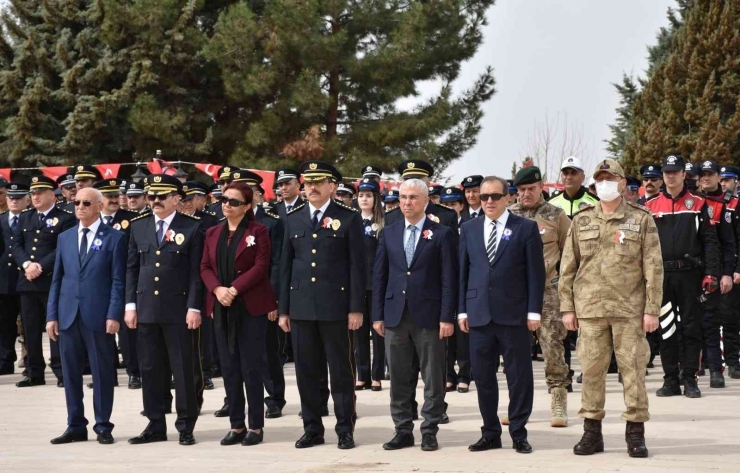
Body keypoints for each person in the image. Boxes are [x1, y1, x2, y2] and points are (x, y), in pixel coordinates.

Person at [560, 159, 663, 458]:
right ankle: (592, 433)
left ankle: (635, 433)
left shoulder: (641, 219)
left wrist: (652, 309)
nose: (604, 184)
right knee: (591, 372)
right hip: (590, 311)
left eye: (610, 178)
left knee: (633, 373)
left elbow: (653, 267)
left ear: (622, 183)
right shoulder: (582, 220)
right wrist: (568, 308)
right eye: (600, 179)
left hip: (630, 310)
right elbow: (568, 267)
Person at [278, 160, 366, 450]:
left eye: (319, 182)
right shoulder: (293, 218)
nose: (312, 187)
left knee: (340, 371)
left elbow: (356, 267)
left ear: (332, 186)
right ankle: (312, 428)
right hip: (302, 307)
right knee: (306, 371)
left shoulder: (349, 218)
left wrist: (356, 308)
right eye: (309, 182)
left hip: (336, 307)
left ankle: (345, 428)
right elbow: (285, 267)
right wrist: (284, 310)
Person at [458, 175, 544, 454]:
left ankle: (518, 432)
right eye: (484, 197)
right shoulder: (469, 229)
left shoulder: (525, 228)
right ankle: (490, 432)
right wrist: (462, 310)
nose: (489, 202)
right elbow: (463, 272)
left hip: (514, 315)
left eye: (495, 196)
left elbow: (536, 274)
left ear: (509, 197)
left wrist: (534, 311)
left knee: (519, 377)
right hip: (479, 314)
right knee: (482, 377)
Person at [372, 178, 455, 452]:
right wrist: (378, 315)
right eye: (403, 197)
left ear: (426, 201)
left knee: (433, 377)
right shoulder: (390, 232)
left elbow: (448, 279)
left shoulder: (441, 233)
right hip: (395, 315)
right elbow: (380, 275)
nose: (407, 202)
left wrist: (446, 317)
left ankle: (429, 430)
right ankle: (402, 429)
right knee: (398, 377)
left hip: (429, 316)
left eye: (413, 198)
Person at [124, 174, 205, 446]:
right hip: (146, 309)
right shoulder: (139, 226)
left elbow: (196, 273)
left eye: (161, 196)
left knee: (182, 369)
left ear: (176, 199)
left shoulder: (193, 227)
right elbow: (132, 268)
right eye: (151, 196)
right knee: (150, 368)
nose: (155, 201)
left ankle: (185, 425)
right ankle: (156, 424)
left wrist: (194, 306)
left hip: (179, 309)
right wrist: (130, 305)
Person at [46, 187, 127, 445]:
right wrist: (52, 315)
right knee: (70, 374)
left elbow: (118, 280)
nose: (79, 207)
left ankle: (103, 425)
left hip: (99, 315)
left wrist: (114, 313)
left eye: (86, 203)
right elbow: (57, 278)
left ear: (99, 206)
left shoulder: (115, 238)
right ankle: (75, 425)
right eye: (76, 202)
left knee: (102, 373)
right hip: (68, 314)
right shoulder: (66, 237)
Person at [201, 181, 275, 446]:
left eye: (233, 201)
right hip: (221, 307)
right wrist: (217, 290)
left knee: (251, 367)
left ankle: (255, 426)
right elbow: (205, 267)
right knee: (229, 368)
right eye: (224, 199)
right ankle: (236, 424)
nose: (226, 205)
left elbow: (261, 266)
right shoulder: (212, 232)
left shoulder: (259, 230)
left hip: (250, 306)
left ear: (246, 206)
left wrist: (233, 289)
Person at [643, 155, 720, 399]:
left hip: (690, 275)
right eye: (666, 172)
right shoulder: (651, 205)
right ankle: (670, 381)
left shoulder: (698, 203)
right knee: (666, 329)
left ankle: (690, 379)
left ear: (684, 174)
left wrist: (711, 273)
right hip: (662, 276)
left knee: (691, 328)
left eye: (675, 171)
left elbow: (710, 241)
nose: (670, 176)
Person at [509, 166, 572, 427]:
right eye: (521, 190)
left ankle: (558, 399)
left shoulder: (556, 216)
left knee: (552, 346)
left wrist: (567, 293)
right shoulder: (508, 216)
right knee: (515, 351)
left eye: (531, 189)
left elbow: (570, 256)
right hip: (514, 294)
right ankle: (517, 406)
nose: (525, 194)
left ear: (541, 187)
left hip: (548, 292)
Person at [12, 176, 77, 388]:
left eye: (40, 192)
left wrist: (40, 267)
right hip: (27, 281)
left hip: (51, 281)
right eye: (33, 193)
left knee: (55, 328)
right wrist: (26, 265)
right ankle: (34, 372)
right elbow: (16, 245)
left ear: (52, 194)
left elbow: (62, 247)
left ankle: (61, 371)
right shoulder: (25, 217)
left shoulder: (65, 218)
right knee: (29, 329)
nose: (36, 196)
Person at [697, 160, 736, 389]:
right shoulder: (694, 201)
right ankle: (693, 368)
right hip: (694, 270)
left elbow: (729, 243)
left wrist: (728, 273)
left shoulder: (724, 204)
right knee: (693, 323)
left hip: (717, 270)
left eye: (710, 174)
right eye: (702, 174)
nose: (705, 178)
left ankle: (716, 370)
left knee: (713, 322)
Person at [354, 178, 385, 392]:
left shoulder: (385, 223)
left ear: (376, 198)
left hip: (377, 284)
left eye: (368, 195)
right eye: (361, 195)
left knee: (379, 330)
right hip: (357, 285)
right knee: (359, 332)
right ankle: (362, 374)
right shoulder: (351, 221)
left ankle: (376, 375)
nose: (364, 199)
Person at [0, 183, 29, 376]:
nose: (14, 201)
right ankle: (5, 360)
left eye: (18, 198)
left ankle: (30, 360)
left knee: (29, 324)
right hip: (4, 279)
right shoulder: (1, 220)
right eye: (11, 198)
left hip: (28, 278)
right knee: (4, 323)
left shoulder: (31, 219)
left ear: (26, 200)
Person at [719, 165, 740, 378]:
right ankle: (733, 362)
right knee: (729, 318)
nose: (724, 183)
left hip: (736, 269)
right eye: (722, 179)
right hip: (725, 270)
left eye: (728, 179)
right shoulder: (720, 204)